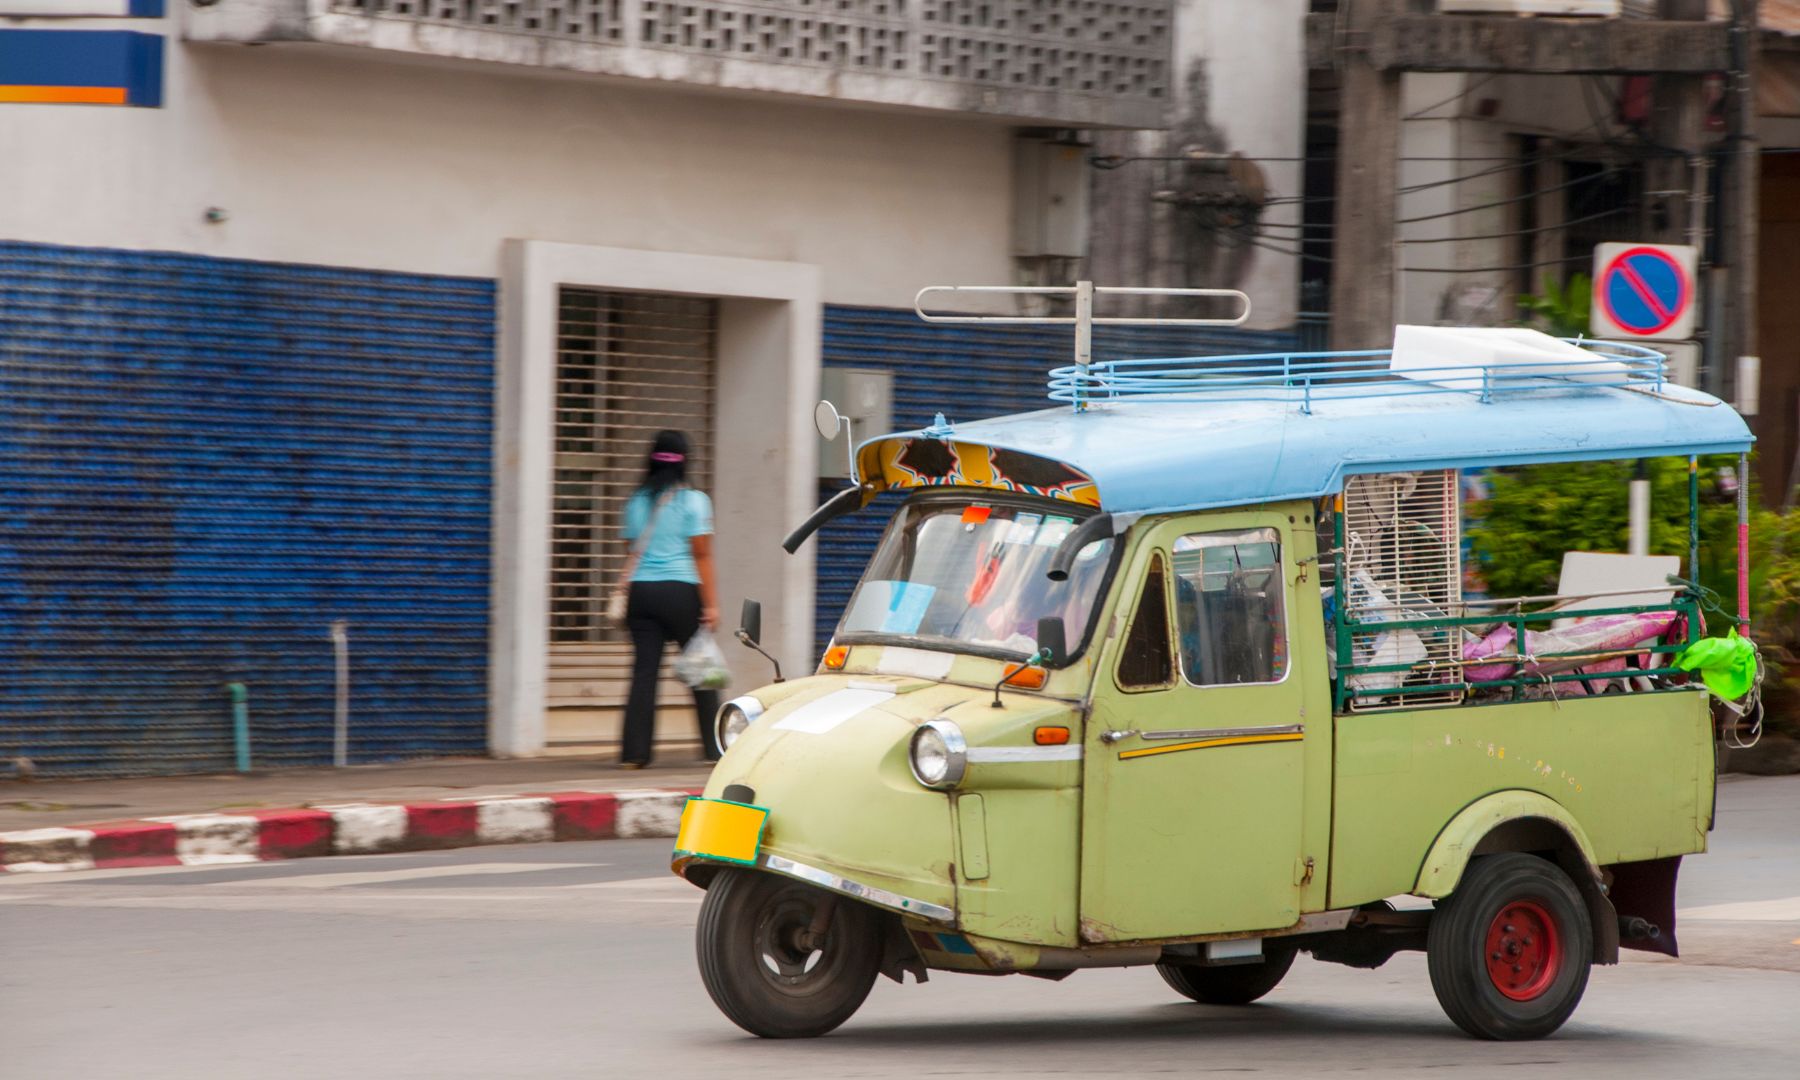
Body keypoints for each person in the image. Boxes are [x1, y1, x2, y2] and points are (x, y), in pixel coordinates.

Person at [619, 430, 721, 768]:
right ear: (685, 461)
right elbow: (702, 555)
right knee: (701, 669)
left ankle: (634, 754)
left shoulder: (636, 502)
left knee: (644, 672)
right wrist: (711, 605)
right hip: (681, 592)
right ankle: (715, 747)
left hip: (641, 592)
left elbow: (631, 548)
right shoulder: (695, 501)